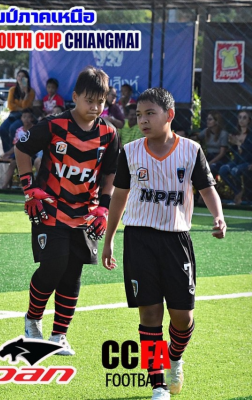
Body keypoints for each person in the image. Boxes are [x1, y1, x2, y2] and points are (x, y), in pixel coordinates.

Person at [102, 88, 226, 400]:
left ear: (169, 115)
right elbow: (119, 197)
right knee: (149, 315)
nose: (142, 120)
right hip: (139, 239)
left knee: (183, 317)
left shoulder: (191, 150)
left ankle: (174, 357)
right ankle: (157, 384)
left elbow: (207, 188)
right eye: (138, 115)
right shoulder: (130, 152)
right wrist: (109, 239)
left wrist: (219, 217)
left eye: (149, 113)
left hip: (176, 240)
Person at [15, 66, 119, 355]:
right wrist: (28, 189)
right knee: (54, 265)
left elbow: (111, 171)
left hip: (86, 214)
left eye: (101, 101)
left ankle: (59, 335)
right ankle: (32, 320)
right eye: (89, 100)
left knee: (73, 272)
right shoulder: (53, 125)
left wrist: (104, 207)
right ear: (75, 97)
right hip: (50, 209)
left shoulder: (109, 133)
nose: (95, 107)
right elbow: (22, 149)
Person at [0, 108, 41, 189]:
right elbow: (16, 145)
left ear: (32, 118)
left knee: (34, 162)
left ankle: (36, 185)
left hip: (33, 154)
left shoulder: (35, 130)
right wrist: (7, 153)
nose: (26, 119)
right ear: (21, 118)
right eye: (24, 117)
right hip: (21, 154)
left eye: (28, 117)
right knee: (12, 163)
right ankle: (4, 186)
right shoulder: (19, 131)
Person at [219, 110, 252, 205]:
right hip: (236, 161)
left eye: (244, 117)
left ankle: (241, 195)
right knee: (223, 170)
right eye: (240, 117)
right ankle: (238, 192)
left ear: (249, 120)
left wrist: (238, 143)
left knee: (234, 171)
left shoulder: (250, 135)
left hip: (247, 161)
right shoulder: (235, 134)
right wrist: (231, 143)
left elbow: (245, 150)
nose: (241, 120)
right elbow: (234, 151)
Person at [0, 69, 35, 153]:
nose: (20, 78)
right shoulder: (13, 90)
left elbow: (25, 107)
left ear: (27, 79)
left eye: (23, 77)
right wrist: (20, 108)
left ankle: (13, 153)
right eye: (19, 76)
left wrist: (26, 94)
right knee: (2, 129)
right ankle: (7, 152)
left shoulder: (31, 92)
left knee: (13, 128)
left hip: (24, 116)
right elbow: (10, 105)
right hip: (13, 115)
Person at [192, 111, 228, 178]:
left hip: (219, 158)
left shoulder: (223, 134)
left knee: (211, 168)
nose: (207, 121)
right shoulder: (206, 131)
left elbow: (222, 153)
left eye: (210, 119)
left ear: (217, 121)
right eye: (207, 119)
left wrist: (209, 163)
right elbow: (196, 137)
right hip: (209, 156)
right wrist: (184, 137)